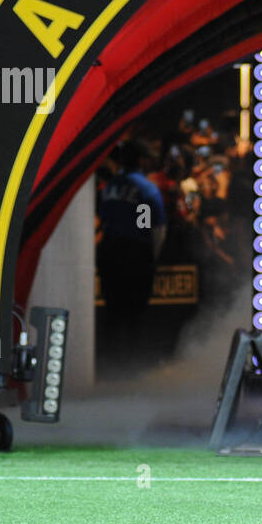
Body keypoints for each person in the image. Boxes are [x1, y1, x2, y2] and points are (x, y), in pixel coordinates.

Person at [96, 140, 166, 365]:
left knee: (113, 310)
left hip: (109, 251)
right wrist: (152, 257)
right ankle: (133, 363)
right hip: (134, 253)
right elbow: (148, 226)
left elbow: (104, 216)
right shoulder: (145, 189)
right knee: (135, 312)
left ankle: (110, 362)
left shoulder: (110, 186)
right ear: (142, 161)